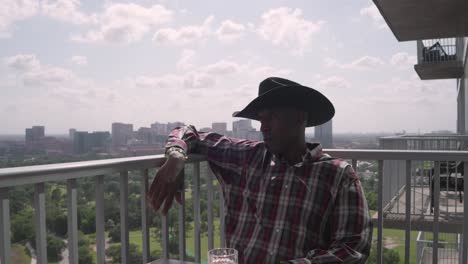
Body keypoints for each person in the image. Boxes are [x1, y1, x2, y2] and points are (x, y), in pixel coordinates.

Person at [148, 77, 372, 263]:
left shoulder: (338, 176)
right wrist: (176, 156)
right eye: (261, 119)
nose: (263, 127)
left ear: (300, 118)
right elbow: (188, 131)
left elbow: (352, 250)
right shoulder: (245, 156)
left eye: (272, 117)